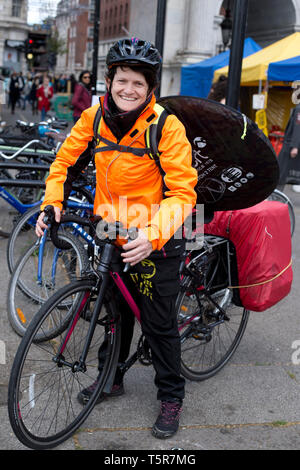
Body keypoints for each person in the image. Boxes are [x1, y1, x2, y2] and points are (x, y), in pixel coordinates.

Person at [35, 37, 197, 439]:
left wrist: (153, 235)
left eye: (138, 84)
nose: (129, 90)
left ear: (150, 88)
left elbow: (182, 193)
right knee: (115, 312)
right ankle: (112, 377)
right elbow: (65, 162)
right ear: (110, 81)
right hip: (110, 230)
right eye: (122, 80)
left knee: (158, 323)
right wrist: (52, 202)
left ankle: (171, 396)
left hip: (155, 235)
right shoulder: (92, 117)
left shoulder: (165, 125)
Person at [277, 103, 300, 192]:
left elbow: (298, 127)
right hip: (293, 144)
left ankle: (276, 196)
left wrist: (295, 146)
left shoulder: (299, 109)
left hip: (290, 145)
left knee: (281, 171)